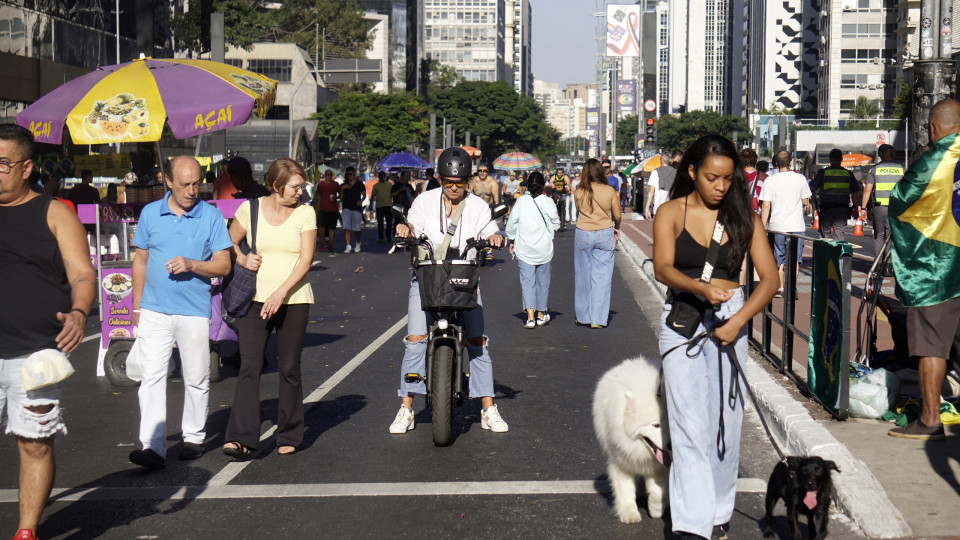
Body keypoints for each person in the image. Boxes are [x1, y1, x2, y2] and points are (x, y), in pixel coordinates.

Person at [652, 134, 778, 540]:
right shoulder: (670, 211)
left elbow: (770, 280)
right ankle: (692, 523)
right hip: (684, 321)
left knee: (725, 424)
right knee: (689, 425)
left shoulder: (745, 218)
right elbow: (662, 267)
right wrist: (702, 289)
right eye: (711, 178)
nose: (720, 186)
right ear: (692, 172)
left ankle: (719, 512)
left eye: (727, 179)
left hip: (730, 321)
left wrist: (738, 319)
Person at [0, 125, 96, 540]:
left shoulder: (55, 213)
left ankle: (26, 531)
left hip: (35, 353)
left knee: (34, 443)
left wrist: (78, 313)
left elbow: (82, 274)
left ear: (26, 167)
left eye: (2, 163)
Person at [388, 147, 508, 435]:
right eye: (447, 182)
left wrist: (496, 236)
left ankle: (488, 408)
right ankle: (406, 408)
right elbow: (412, 222)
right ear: (440, 179)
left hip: (464, 279)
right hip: (427, 276)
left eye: (459, 182)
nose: (453, 187)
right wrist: (406, 228)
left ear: (467, 181)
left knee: (478, 341)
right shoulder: (424, 201)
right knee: (415, 339)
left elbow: (494, 228)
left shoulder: (477, 206)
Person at [128, 156, 233, 469]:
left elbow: (224, 265)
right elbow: (140, 260)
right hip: (154, 310)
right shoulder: (150, 213)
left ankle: (194, 438)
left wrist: (192, 264)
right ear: (168, 182)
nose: (192, 190)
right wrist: (136, 305)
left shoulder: (211, 216)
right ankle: (152, 446)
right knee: (151, 377)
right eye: (185, 184)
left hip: (193, 310)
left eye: (196, 183)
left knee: (197, 376)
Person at [223, 158, 317, 459]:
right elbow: (226, 241)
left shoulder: (305, 213)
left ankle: (288, 433)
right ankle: (241, 437)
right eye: (294, 186)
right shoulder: (249, 209)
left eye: (302, 186)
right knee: (249, 366)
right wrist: (240, 258)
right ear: (276, 186)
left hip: (294, 298)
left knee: (289, 368)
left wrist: (280, 292)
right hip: (254, 298)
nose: (299, 192)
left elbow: (305, 260)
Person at [888, 98, 960, 441]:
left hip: (939, 272)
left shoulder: (933, 160)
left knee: (932, 346)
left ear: (933, 128)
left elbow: (901, 201)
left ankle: (931, 419)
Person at [505, 171, 560, 328]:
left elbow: (512, 224)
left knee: (527, 282)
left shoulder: (521, 202)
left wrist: (511, 239)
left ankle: (530, 317)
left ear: (527, 186)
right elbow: (556, 224)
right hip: (544, 248)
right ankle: (541, 315)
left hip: (524, 248)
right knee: (543, 282)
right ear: (543, 186)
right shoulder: (548, 202)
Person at [573, 158, 621, 328]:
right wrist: (617, 228)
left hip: (583, 233)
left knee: (582, 275)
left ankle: (583, 316)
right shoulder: (609, 190)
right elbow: (617, 215)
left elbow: (578, 210)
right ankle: (598, 319)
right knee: (602, 277)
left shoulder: (579, 190)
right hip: (605, 232)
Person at [759, 151, 811, 299]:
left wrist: (763, 226)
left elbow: (766, 205)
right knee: (794, 259)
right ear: (790, 163)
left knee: (778, 257)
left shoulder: (770, 180)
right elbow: (805, 201)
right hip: (796, 225)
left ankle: (780, 288)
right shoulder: (800, 178)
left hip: (777, 225)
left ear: (776, 163)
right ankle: (791, 287)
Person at [861, 143, 903, 258]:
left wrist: (863, 208)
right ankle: (888, 265)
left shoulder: (875, 169)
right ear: (893, 154)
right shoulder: (902, 168)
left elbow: (867, 190)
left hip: (879, 208)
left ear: (881, 155)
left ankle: (877, 264)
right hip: (896, 208)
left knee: (879, 235)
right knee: (891, 235)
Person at [810, 148, 859, 241]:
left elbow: (812, 186)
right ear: (841, 159)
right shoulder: (848, 174)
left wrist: (814, 200)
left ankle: (824, 254)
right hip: (842, 209)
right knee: (839, 235)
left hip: (826, 209)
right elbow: (855, 191)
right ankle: (837, 255)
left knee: (824, 235)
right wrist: (856, 208)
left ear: (830, 159)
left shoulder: (823, 173)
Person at [645, 151, 682, 220]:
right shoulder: (676, 173)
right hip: (672, 207)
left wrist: (647, 208)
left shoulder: (655, 172)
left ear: (661, 160)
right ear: (671, 162)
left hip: (658, 207)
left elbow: (651, 192)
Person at [311, 169, 340, 252]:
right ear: (324, 175)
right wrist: (313, 206)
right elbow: (317, 196)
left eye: (330, 175)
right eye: (327, 174)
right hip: (322, 208)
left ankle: (330, 245)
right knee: (320, 226)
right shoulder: (321, 184)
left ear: (332, 176)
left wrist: (336, 197)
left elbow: (341, 195)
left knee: (332, 228)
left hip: (333, 209)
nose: (328, 176)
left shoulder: (336, 184)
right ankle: (322, 242)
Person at [339, 166, 365, 253]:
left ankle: (358, 242)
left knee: (357, 229)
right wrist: (342, 188)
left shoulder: (359, 184)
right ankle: (348, 245)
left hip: (356, 208)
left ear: (354, 174)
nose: (350, 176)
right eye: (348, 174)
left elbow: (364, 194)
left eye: (351, 174)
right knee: (346, 227)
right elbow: (341, 197)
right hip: (346, 207)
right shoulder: (343, 185)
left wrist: (361, 201)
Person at [740, 147, 766, 216]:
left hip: (739, 217)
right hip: (758, 216)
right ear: (755, 160)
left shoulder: (735, 177)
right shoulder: (765, 178)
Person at [370, 171, 395, 243]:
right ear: (379, 177)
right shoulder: (376, 186)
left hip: (388, 206)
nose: (382, 178)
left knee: (389, 222)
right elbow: (372, 196)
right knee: (380, 222)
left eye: (383, 176)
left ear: (385, 177)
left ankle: (388, 236)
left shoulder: (389, 185)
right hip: (379, 206)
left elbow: (392, 194)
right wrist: (371, 205)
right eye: (381, 176)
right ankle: (381, 237)